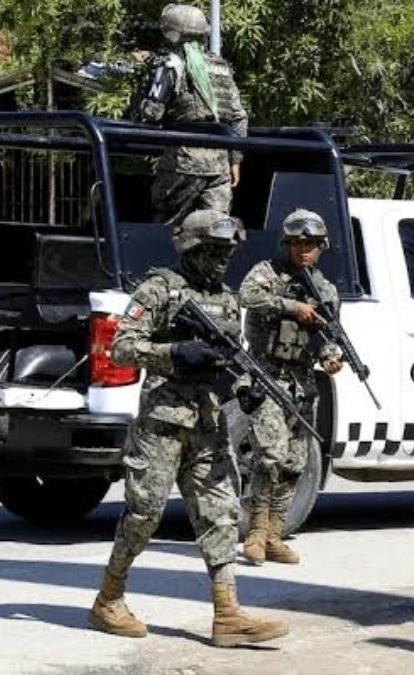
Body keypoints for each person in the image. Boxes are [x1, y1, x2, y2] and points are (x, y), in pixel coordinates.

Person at [89, 210, 288, 647]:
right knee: (144, 515)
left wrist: (243, 388)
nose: (221, 260)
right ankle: (108, 599)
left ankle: (228, 615)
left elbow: (229, 359)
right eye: (213, 251)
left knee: (220, 514)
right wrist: (175, 352)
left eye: (227, 252)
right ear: (191, 249)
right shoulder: (158, 289)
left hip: (208, 424)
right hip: (162, 424)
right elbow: (122, 347)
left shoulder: (229, 299)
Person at [239, 209, 343, 565]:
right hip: (267, 374)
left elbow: (329, 335)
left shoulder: (326, 289)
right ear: (287, 244)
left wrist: (332, 356)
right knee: (268, 455)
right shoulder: (267, 273)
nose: (304, 251)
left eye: (311, 245)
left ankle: (274, 534)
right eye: (298, 243)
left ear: (321, 247)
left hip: (301, 382)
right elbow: (247, 296)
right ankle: (254, 532)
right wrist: (291, 305)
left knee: (294, 463)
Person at [131, 4, 248, 228]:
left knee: (169, 229)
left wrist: (138, 97)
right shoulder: (221, 67)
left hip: (183, 163)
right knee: (215, 232)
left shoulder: (171, 65)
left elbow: (151, 114)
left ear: (172, 35)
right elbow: (239, 117)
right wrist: (235, 160)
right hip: (220, 165)